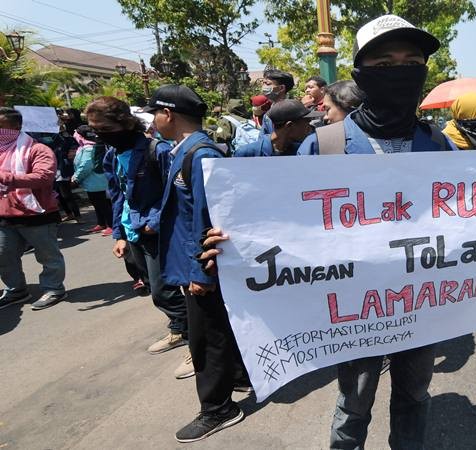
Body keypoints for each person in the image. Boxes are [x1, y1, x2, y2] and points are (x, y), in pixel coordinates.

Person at [199, 15, 476, 449]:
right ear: (362, 72)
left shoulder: (438, 145)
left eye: (411, 61)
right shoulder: (325, 145)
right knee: (354, 403)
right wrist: (234, 247)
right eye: (385, 64)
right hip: (354, 313)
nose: (400, 71)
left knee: (414, 396)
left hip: (421, 310)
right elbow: (281, 223)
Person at [146, 84, 250, 443]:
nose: (153, 121)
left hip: (201, 269)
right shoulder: (187, 150)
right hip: (191, 264)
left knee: (206, 338)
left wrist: (200, 273)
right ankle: (236, 376)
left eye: (154, 114)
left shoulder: (201, 154)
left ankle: (218, 409)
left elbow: (208, 222)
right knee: (218, 328)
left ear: (168, 114)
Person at [85, 97, 192, 378]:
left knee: (164, 290)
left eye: (103, 127)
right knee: (154, 288)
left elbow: (175, 193)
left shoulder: (157, 151)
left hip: (157, 232)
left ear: (122, 123)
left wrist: (155, 221)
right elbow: (117, 195)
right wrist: (119, 234)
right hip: (132, 231)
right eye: (93, 128)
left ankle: (196, 344)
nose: (98, 133)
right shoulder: (111, 154)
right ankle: (179, 330)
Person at [0, 107, 67, 310]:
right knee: (3, 255)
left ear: (16, 127)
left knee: (48, 255)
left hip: (37, 213)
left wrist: (6, 177)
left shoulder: (37, 149)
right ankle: (16, 290)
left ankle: (54, 288)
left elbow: (44, 177)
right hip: (5, 215)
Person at [235, 69, 295, 157]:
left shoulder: (292, 111)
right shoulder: (267, 114)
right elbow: (262, 139)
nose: (263, 87)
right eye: (263, 83)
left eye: (267, 84)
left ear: (281, 88)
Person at [235, 99, 323, 157]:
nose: (310, 127)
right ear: (289, 126)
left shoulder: (301, 152)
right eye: (306, 123)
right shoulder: (247, 153)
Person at [71, 125, 113, 235]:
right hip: (94, 181)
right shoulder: (87, 146)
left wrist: (76, 177)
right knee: (97, 203)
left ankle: (111, 225)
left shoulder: (89, 148)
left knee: (102, 204)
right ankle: (101, 223)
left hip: (96, 181)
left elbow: (86, 165)